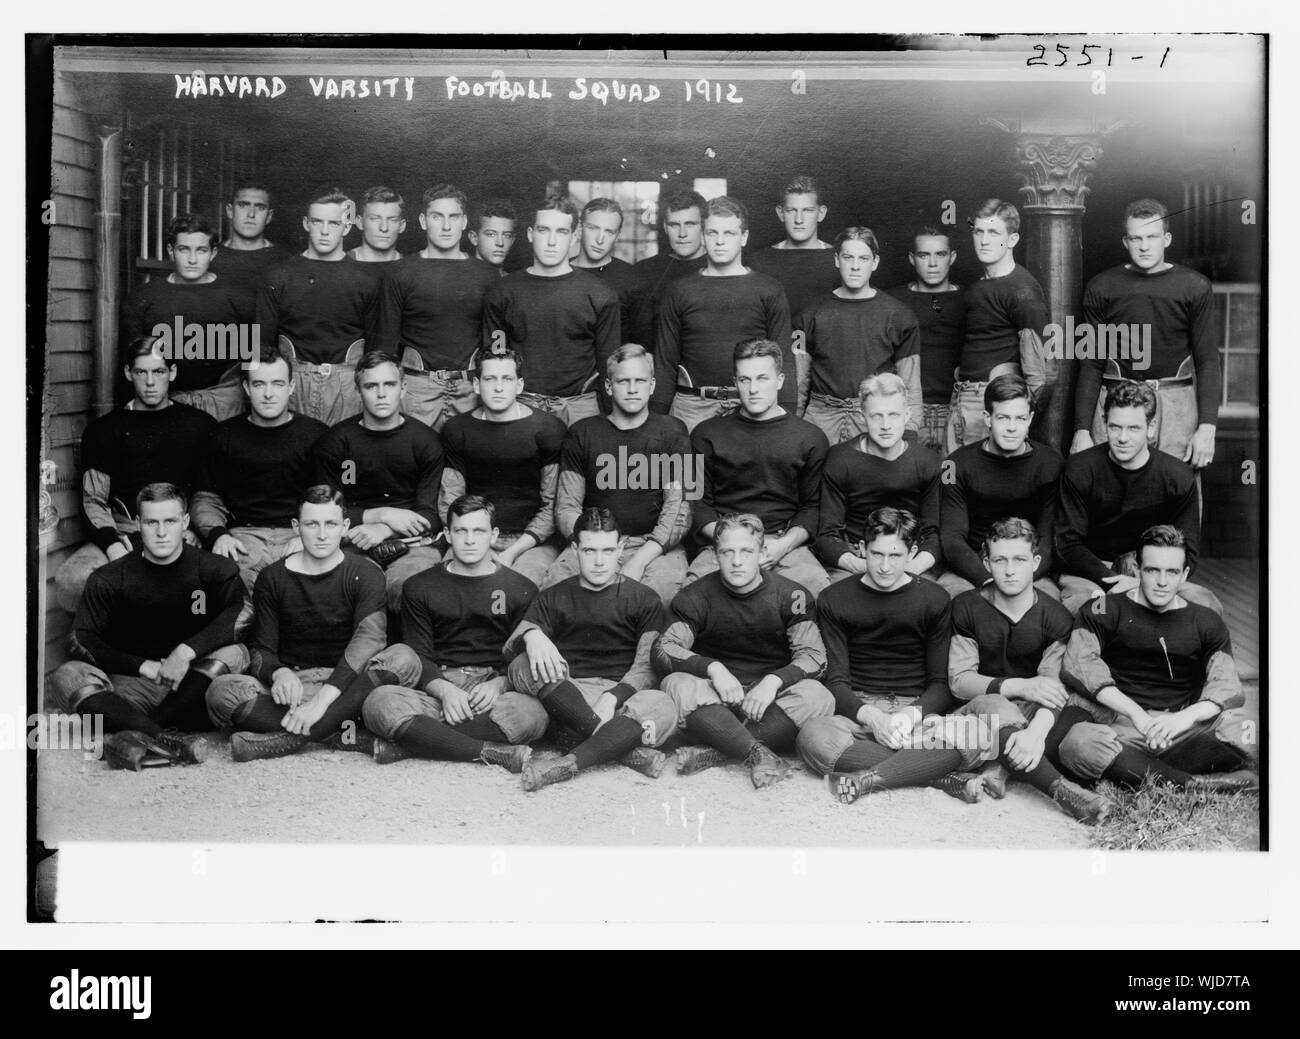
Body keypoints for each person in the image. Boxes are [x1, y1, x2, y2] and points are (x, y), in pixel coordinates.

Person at [206, 485, 422, 761]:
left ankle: (289, 738)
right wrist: (279, 674)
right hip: (297, 685)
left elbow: (370, 640)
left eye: (330, 524)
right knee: (221, 691)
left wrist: (321, 703)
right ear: (296, 527)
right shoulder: (273, 577)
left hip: (351, 685)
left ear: (345, 526)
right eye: (311, 524)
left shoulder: (366, 572)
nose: (322, 534)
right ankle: (343, 734)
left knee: (403, 658)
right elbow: (262, 646)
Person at [49, 482, 248, 768]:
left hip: (193, 686)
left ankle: (139, 734)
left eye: (170, 521)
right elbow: (83, 638)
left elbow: (241, 613)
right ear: (139, 524)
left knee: (235, 652)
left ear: (186, 522)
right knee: (67, 675)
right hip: (133, 692)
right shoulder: (110, 577)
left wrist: (186, 651)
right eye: (152, 522)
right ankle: (165, 738)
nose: (162, 532)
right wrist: (144, 666)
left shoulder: (213, 567)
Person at [797, 508, 985, 804]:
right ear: (862, 549)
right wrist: (873, 718)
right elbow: (836, 681)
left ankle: (871, 779)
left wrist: (908, 716)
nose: (885, 566)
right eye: (877, 554)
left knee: (980, 732)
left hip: (917, 711)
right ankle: (937, 774)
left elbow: (940, 683)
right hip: (860, 710)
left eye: (895, 556)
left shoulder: (934, 599)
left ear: (912, 553)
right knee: (812, 736)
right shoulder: (834, 599)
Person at [1052, 525, 1257, 791]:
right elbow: (1079, 665)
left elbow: (1226, 685)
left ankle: (1143, 771)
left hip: (1183, 728)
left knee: (1252, 729)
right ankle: (1190, 784)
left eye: (1172, 572)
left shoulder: (1205, 620)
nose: (1162, 582)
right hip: (1124, 726)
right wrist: (1137, 715)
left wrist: (1183, 719)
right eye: (1152, 570)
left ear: (1184, 574)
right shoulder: (1103, 609)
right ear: (1137, 570)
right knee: (1078, 743)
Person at [360, 495, 550, 769]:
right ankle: (487, 750)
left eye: (479, 531)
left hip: (490, 687)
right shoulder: (419, 586)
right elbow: (418, 656)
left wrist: (500, 685)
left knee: (532, 715)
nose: (470, 540)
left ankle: (414, 744)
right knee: (379, 704)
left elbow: (518, 656)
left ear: (494, 535)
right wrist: (446, 692)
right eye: (461, 530)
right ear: (448, 534)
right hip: (438, 684)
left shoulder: (520, 588)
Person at [503, 507, 678, 791]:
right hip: (566, 692)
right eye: (589, 551)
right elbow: (512, 657)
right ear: (574, 548)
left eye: (608, 551)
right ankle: (622, 749)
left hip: (621, 698)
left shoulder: (644, 598)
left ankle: (568, 761)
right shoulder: (553, 596)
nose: (599, 561)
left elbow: (647, 666)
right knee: (524, 664)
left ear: (621, 547)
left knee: (664, 707)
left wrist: (613, 696)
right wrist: (532, 635)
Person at [947, 518, 1110, 822]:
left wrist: (1035, 733)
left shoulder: (1056, 615)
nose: (1010, 571)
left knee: (1080, 700)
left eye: (1019, 560)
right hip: (978, 712)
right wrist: (1020, 686)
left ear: (1035, 562)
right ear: (986, 562)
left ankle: (1000, 769)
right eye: (1000, 560)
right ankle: (1064, 792)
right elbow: (959, 682)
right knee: (996, 705)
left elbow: (1051, 688)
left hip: (1030, 713)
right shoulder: (966, 606)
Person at [653, 513, 834, 787]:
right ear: (715, 554)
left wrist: (774, 681)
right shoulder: (694, 596)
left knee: (818, 697)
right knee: (675, 683)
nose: (737, 562)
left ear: (762, 552)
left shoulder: (792, 595)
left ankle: (717, 752)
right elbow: (665, 648)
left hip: (768, 703)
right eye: (727, 552)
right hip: (714, 698)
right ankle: (755, 752)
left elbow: (815, 658)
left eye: (746, 551)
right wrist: (713, 669)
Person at [53, 339, 216, 612]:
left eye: (158, 372)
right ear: (129, 373)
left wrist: (195, 530)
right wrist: (113, 545)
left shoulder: (199, 426)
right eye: (142, 372)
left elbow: (208, 493)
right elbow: (93, 500)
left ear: (172, 373)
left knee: (204, 585)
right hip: (124, 532)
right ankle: (97, 642)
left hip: (178, 532)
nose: (150, 382)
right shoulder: (104, 430)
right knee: (72, 580)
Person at [1071, 198, 1220, 468]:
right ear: (1125, 241)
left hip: (1175, 405)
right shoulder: (1102, 287)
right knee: (1109, 495)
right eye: (1135, 238)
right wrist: (1081, 430)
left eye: (1152, 236)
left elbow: (1208, 361)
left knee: (1177, 492)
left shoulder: (1195, 286)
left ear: (1167, 238)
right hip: (1116, 401)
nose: (1143, 245)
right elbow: (1091, 362)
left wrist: (1207, 427)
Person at [1055, 380, 1220, 614]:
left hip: (1153, 570)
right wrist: (1115, 581)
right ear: (1104, 424)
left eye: (1133, 428)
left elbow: (1188, 553)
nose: (1123, 438)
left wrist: (1143, 581)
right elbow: (1067, 545)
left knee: (1205, 605)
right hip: (1092, 571)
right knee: (1091, 609)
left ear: (1151, 428)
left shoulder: (1177, 476)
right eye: (1115, 427)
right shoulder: (1080, 469)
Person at [547, 344, 693, 605]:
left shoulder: (676, 430)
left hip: (653, 547)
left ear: (652, 385)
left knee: (662, 594)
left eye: (640, 380)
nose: (633, 388)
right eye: (623, 381)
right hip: (595, 542)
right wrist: (596, 550)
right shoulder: (580, 432)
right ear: (608, 386)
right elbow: (566, 508)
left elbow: (682, 509)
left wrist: (639, 560)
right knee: (555, 586)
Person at [686, 339, 830, 597]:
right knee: (689, 598)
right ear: (735, 381)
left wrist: (782, 546)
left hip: (784, 544)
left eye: (762, 378)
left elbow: (813, 508)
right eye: (744, 380)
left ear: (780, 380)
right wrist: (735, 544)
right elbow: (697, 505)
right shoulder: (705, 434)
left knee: (819, 593)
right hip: (723, 542)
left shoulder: (811, 438)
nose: (753, 389)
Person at [190, 341, 328, 594]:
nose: (268, 394)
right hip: (244, 537)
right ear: (246, 388)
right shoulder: (223, 436)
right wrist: (218, 535)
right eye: (258, 384)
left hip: (299, 535)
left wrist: (310, 537)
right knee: (234, 598)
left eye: (277, 384)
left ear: (291, 387)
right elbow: (205, 499)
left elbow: (330, 499)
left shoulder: (316, 435)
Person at [311, 351, 444, 612]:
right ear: (358, 391)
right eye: (371, 386)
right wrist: (381, 515)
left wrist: (385, 529)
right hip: (354, 538)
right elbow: (325, 511)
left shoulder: (425, 441)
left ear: (403, 388)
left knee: (410, 586)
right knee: (347, 585)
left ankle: (406, 652)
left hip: (413, 542)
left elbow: (431, 514)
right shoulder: (335, 443)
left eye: (389, 385)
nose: (381, 394)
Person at [654, 196, 795, 428]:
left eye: (729, 233)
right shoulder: (679, 290)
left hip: (750, 403)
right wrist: (657, 420)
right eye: (712, 233)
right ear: (703, 236)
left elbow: (784, 360)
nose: (720, 241)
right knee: (686, 465)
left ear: (744, 237)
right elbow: (665, 361)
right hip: (692, 406)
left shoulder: (769, 289)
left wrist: (787, 414)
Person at [481, 195, 621, 425]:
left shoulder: (600, 293)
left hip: (580, 407)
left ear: (574, 236)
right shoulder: (502, 292)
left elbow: (610, 365)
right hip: (521, 404)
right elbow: (495, 357)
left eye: (562, 232)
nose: (552, 241)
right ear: (529, 234)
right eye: (544, 230)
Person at [374, 184, 500, 429]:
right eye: (437, 216)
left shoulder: (486, 275)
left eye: (453, 217)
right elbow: (385, 345)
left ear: (464, 222)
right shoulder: (400, 273)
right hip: (416, 389)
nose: (446, 226)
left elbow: (495, 343)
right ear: (423, 221)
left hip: (470, 388)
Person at [438, 350, 566, 585]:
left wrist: (513, 552)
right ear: (476, 384)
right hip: (474, 535)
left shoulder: (548, 429)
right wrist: (477, 543)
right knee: (449, 583)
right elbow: (450, 499)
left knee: (521, 583)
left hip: (532, 541)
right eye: (489, 379)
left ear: (519, 385)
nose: (498, 387)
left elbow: (552, 506)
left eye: (506, 379)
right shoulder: (457, 429)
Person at [256, 188, 381, 424]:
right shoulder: (278, 275)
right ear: (306, 223)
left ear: (346, 227)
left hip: (347, 386)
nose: (324, 231)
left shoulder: (367, 281)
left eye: (333, 223)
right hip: (292, 384)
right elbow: (261, 345)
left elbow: (376, 350)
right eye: (317, 221)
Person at [794, 227, 922, 444]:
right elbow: (799, 382)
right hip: (820, 418)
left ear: (875, 262)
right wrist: (793, 426)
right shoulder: (809, 314)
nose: (855, 266)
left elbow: (910, 383)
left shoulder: (900, 316)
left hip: (873, 418)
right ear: (836, 260)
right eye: (848, 257)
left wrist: (909, 432)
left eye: (863, 258)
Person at [939, 374, 1062, 598]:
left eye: (1020, 418)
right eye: (1003, 418)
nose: (1012, 427)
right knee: (953, 599)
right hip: (973, 567)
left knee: (1046, 605)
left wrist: (1020, 581)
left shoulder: (1051, 464)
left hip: (1028, 567)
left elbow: (1049, 539)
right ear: (988, 418)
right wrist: (986, 580)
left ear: (1031, 419)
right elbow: (952, 539)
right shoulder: (955, 464)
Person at [121, 213, 251, 420]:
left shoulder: (238, 297)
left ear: (213, 253)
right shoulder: (144, 297)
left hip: (224, 401)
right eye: (184, 249)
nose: (192, 259)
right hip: (169, 402)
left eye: (201, 250)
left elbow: (253, 358)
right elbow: (133, 362)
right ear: (171, 251)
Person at [815, 373, 941, 584]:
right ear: (862, 415)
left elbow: (934, 533)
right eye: (876, 416)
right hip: (857, 557)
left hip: (910, 558)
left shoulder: (928, 462)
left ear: (907, 414)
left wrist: (908, 569)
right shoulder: (839, 459)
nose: (885, 425)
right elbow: (827, 534)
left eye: (893, 415)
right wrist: (867, 567)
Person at [949, 199, 1053, 452]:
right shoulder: (978, 287)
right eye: (978, 232)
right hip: (962, 401)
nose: (984, 241)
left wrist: (1013, 418)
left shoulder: (1023, 290)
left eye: (994, 232)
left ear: (1013, 239)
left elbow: (1042, 376)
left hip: (993, 404)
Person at [885, 227, 967, 456]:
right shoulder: (892, 300)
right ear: (912, 258)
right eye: (924, 255)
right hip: (906, 412)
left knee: (953, 486)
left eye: (940, 254)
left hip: (955, 412)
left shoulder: (970, 299)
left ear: (952, 257)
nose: (932, 263)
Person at [629, 188, 709, 356]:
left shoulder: (717, 268)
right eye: (674, 225)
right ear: (665, 227)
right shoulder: (644, 270)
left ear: (703, 226)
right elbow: (635, 333)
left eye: (690, 224)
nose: (682, 234)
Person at [748, 175, 839, 323]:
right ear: (781, 213)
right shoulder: (760, 261)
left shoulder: (838, 259)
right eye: (791, 210)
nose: (799, 219)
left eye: (808, 210)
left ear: (821, 213)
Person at [208, 182, 294, 302]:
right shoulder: (209, 257)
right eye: (243, 205)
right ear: (230, 211)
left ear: (269, 216)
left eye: (260, 208)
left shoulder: (285, 260)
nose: (251, 214)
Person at [571, 197, 640, 341]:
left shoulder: (631, 278)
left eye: (609, 232)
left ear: (617, 236)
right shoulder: (561, 272)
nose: (600, 239)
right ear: (579, 228)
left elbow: (640, 340)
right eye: (593, 228)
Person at [346, 186, 406, 263]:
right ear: (360, 222)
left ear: (402, 226)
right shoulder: (338, 265)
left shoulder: (412, 267)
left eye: (392, 220)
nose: (384, 228)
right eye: (374, 219)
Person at [468, 198, 518, 273]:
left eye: (507, 235)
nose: (500, 243)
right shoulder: (457, 281)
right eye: (491, 234)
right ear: (474, 238)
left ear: (512, 240)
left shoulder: (517, 283)